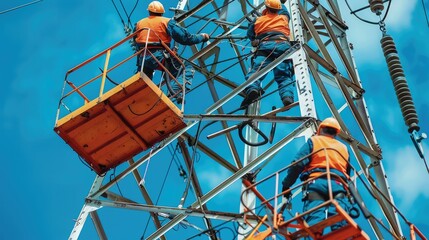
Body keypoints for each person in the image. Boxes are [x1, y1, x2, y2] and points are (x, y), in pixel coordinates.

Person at [281, 117, 352, 236]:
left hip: (316, 183)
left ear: (321, 129)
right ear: (336, 132)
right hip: (338, 185)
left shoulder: (314, 141)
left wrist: (286, 185)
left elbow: (297, 164)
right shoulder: (344, 148)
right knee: (340, 220)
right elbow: (347, 173)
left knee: (314, 223)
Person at [134, 1, 210, 103]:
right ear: (162, 13)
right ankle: (174, 94)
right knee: (186, 68)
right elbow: (186, 38)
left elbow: (136, 42)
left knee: (143, 81)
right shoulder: (166, 22)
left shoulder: (139, 23)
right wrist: (202, 37)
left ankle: (137, 98)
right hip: (159, 55)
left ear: (149, 12)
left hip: (143, 57)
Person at [241, 0, 295, 108]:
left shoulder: (258, 20)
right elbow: (284, 11)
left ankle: (253, 89)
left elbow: (250, 34)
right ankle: (287, 97)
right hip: (283, 46)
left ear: (266, 7)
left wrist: (255, 40)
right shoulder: (283, 18)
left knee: (257, 71)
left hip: (265, 47)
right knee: (284, 75)